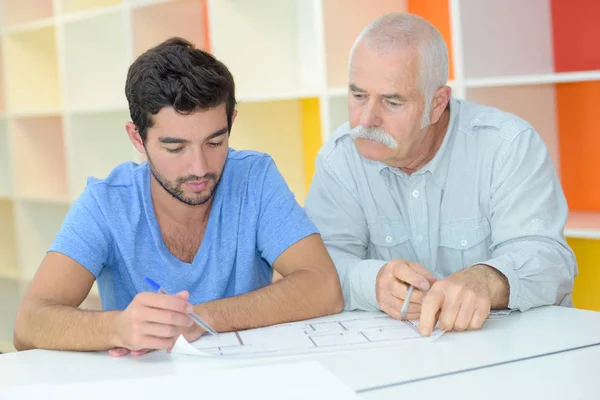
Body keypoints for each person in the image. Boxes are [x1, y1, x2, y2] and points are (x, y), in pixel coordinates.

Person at [14, 37, 343, 355]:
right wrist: (116, 328)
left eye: (215, 142)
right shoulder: (106, 203)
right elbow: (28, 325)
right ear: (137, 138)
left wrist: (198, 319)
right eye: (175, 147)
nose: (200, 168)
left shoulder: (255, 179)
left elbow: (324, 287)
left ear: (231, 123)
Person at [304, 13, 576, 336]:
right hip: (399, 363)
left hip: (518, 355)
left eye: (392, 102)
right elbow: (316, 269)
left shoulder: (507, 146)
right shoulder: (340, 159)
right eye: (358, 95)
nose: (366, 119)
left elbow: (550, 261)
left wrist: (487, 279)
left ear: (437, 104)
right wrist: (373, 283)